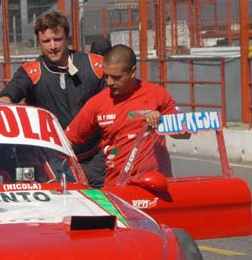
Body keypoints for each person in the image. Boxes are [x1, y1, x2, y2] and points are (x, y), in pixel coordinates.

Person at [0, 10, 106, 187]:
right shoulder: (31, 72)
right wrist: (5, 101)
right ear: (39, 42)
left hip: (95, 158)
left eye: (58, 39)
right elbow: (8, 96)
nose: (53, 46)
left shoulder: (95, 66)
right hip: (51, 161)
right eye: (46, 41)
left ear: (67, 38)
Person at [65, 44, 186, 187]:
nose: (109, 82)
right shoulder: (97, 103)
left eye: (116, 77)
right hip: (117, 189)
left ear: (133, 72)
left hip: (157, 186)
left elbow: (184, 133)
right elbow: (67, 139)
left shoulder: (157, 95)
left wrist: (162, 121)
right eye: (106, 76)